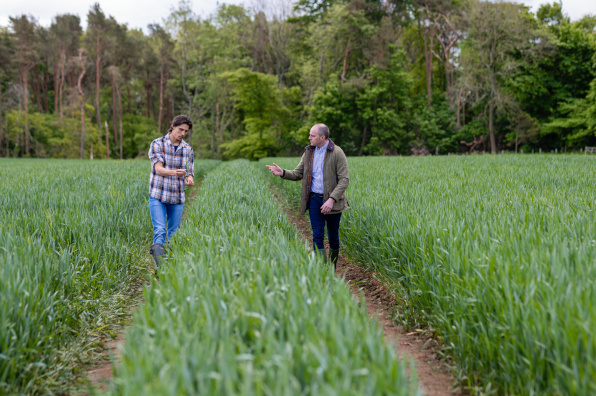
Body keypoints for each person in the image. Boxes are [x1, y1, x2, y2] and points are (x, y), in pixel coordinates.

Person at [266, 123, 349, 271]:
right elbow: (298, 173)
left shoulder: (337, 153)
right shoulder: (309, 152)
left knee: (333, 238)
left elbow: (344, 180)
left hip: (333, 202)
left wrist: (331, 199)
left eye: (312, 135)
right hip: (314, 200)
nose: (309, 138)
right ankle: (322, 272)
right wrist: (282, 172)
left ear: (322, 137)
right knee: (317, 236)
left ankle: (332, 268)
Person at [148, 115, 195, 268]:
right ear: (173, 126)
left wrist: (189, 179)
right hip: (158, 196)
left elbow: (189, 172)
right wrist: (175, 173)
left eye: (186, 131)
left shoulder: (187, 149)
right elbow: (159, 169)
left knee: (174, 235)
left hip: (176, 197)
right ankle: (161, 270)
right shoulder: (158, 144)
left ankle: (172, 268)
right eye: (180, 129)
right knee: (160, 230)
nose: (182, 133)